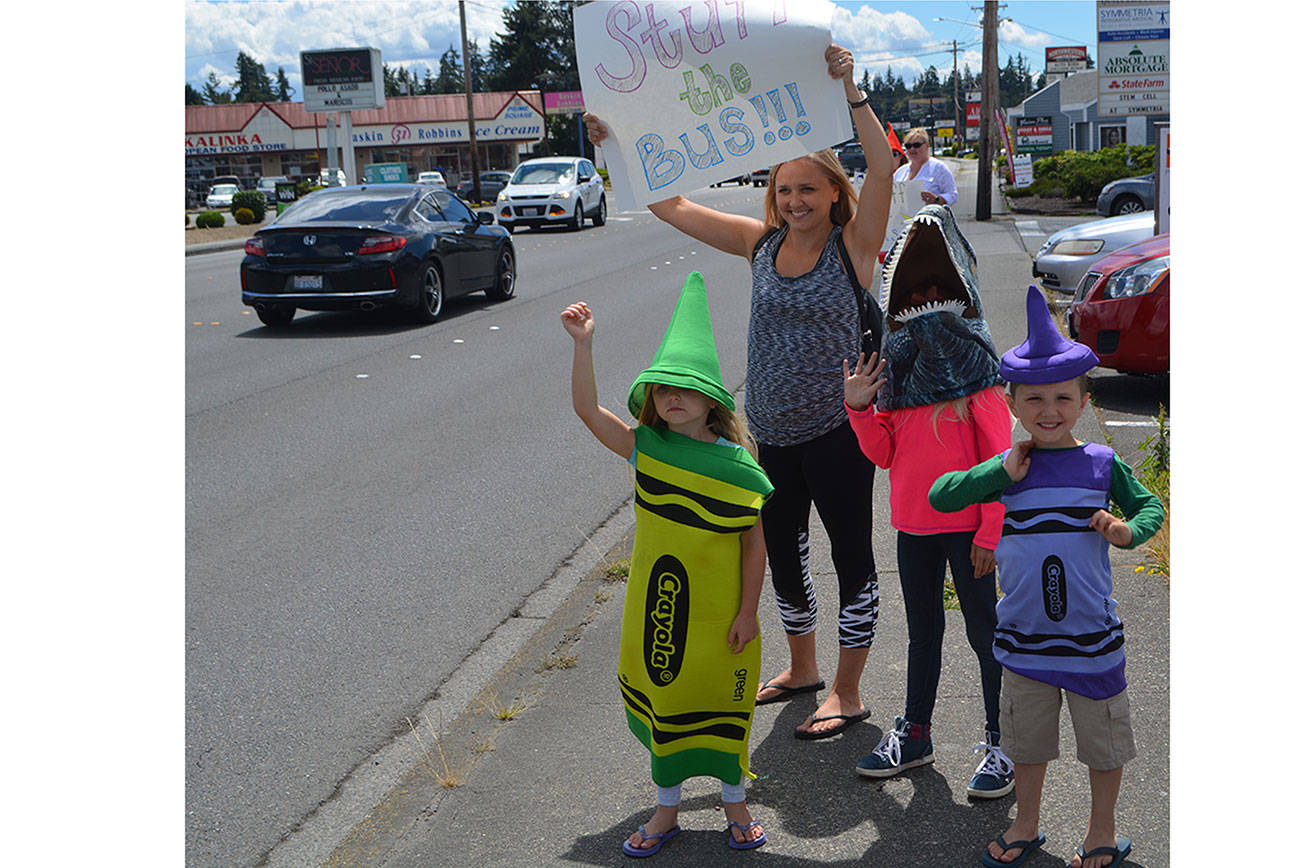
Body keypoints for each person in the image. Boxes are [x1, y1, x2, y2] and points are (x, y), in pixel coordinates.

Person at [585, 42, 893, 741]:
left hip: (840, 431)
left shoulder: (856, 244)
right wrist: (616, 145)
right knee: (783, 556)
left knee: (852, 557)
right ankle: (804, 668)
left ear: (833, 194)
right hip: (768, 437)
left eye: (808, 190)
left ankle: (847, 689)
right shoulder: (759, 243)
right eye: (784, 190)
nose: (794, 201)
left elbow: (882, 165)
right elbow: (670, 204)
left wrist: (851, 89)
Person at [928, 288, 1165, 868]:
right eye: (1034, 398)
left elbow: (1150, 509)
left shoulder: (1101, 465)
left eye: (1063, 396)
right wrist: (997, 468)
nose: (1049, 409)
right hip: (1025, 640)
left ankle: (1100, 831)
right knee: (1026, 743)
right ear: (1012, 402)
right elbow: (940, 496)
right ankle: (1027, 823)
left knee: (1103, 744)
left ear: (1084, 400)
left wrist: (1126, 531)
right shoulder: (1011, 469)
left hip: (1091, 641)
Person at [562, 273, 774, 856]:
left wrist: (749, 610)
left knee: (725, 705)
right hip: (658, 609)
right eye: (661, 390)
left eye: (684, 389)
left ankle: (735, 804)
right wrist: (584, 345)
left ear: (713, 399)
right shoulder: (644, 449)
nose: (671, 398)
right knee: (666, 701)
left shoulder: (738, 464)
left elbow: (754, 544)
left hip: (722, 615)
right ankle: (666, 811)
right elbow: (586, 410)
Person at [842, 203, 1014, 798]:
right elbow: (884, 455)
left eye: (943, 288)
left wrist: (991, 532)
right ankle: (915, 733)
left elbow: (1003, 466)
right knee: (923, 632)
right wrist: (860, 406)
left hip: (971, 534)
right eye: (920, 291)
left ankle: (1003, 740)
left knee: (986, 633)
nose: (930, 298)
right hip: (913, 529)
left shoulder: (983, 390)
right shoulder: (896, 382)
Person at [894, 128, 958, 207]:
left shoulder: (938, 168)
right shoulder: (900, 172)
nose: (912, 149)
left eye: (916, 145)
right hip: (903, 218)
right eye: (908, 146)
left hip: (930, 217)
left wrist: (936, 199)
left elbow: (953, 195)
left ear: (927, 145)